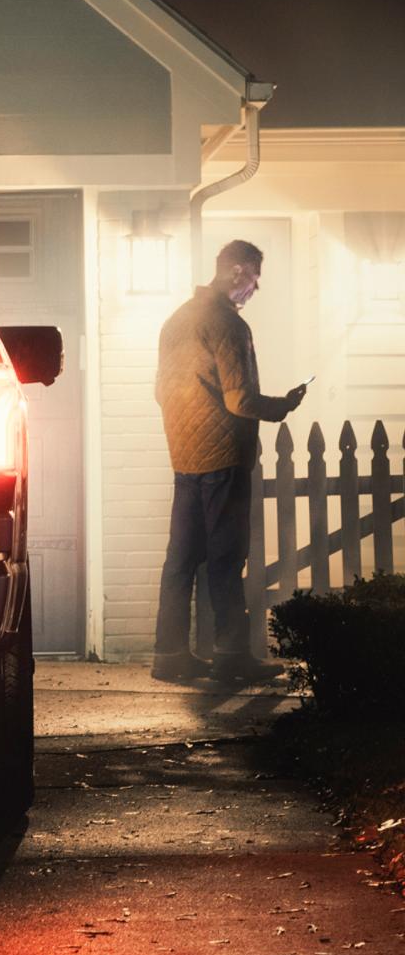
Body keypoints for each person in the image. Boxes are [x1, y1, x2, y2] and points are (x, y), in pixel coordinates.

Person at [151, 238, 307, 685]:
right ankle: (232, 656)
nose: (254, 292)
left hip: (184, 457)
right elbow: (240, 400)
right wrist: (283, 405)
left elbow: (160, 391)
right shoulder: (229, 325)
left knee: (180, 561)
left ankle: (170, 656)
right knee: (225, 558)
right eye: (254, 281)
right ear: (238, 272)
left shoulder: (176, 321)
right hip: (224, 458)